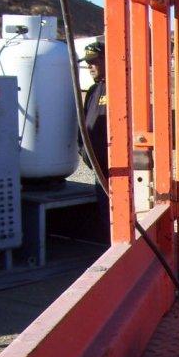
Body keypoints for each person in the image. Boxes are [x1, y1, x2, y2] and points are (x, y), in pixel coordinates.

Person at [79, 41, 110, 241]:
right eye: (87, 63)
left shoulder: (118, 88)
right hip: (97, 165)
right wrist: (82, 148)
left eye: (94, 62)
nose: (90, 67)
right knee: (104, 209)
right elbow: (84, 122)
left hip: (115, 166)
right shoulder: (92, 90)